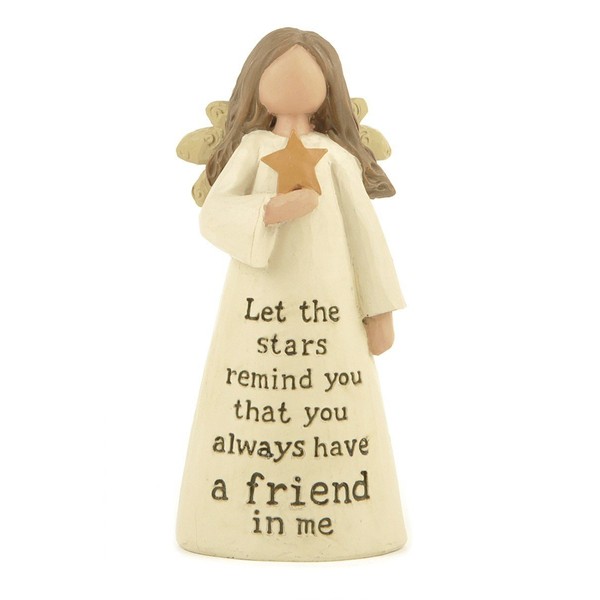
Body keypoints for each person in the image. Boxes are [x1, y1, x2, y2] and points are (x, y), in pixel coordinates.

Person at [177, 27, 407, 561]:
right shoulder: (253, 150)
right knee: (245, 403)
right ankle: (227, 511)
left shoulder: (337, 158)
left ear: (330, 87)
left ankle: (352, 515)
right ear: (255, 85)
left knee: (339, 408)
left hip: (329, 330)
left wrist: (378, 308)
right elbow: (214, 214)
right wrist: (269, 211)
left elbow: (366, 234)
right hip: (258, 321)